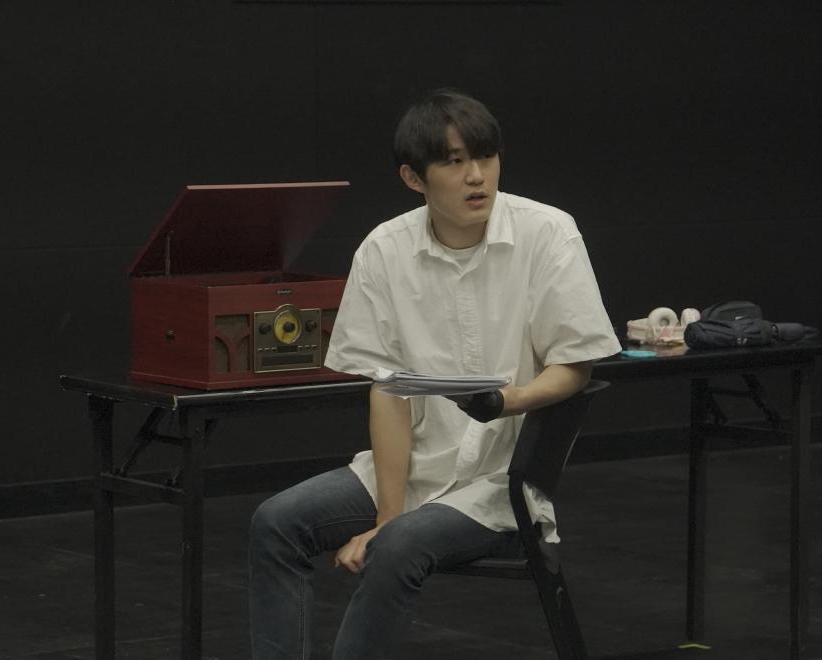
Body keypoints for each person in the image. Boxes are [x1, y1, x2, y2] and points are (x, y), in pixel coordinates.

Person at [248, 89, 621, 659]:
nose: (476, 176)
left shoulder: (547, 233)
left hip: (501, 483)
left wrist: (511, 399)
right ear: (412, 177)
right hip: (416, 466)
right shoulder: (384, 250)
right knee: (276, 522)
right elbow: (388, 392)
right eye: (453, 161)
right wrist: (386, 514)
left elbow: (576, 364)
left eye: (486, 156)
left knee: (398, 544)